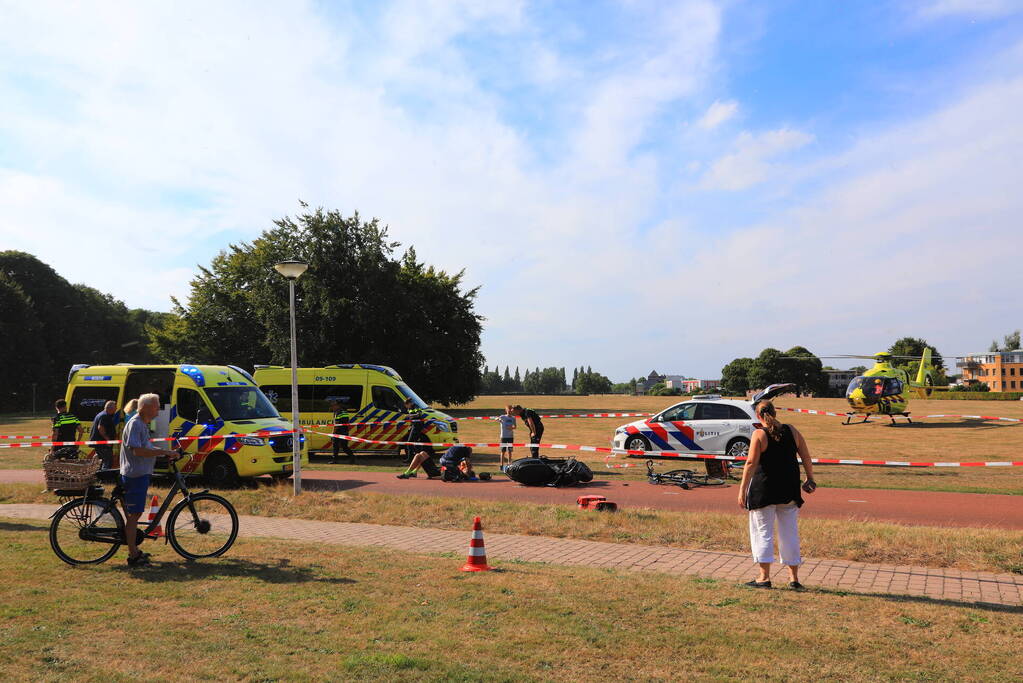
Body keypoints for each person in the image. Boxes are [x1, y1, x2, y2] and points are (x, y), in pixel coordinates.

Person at [737, 399, 816, 589]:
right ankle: (793, 578)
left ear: (758, 416)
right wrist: (810, 477)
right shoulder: (792, 431)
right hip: (788, 488)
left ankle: (764, 577)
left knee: (763, 532)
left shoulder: (759, 434)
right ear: (775, 412)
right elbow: (805, 455)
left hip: (764, 489)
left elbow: (750, 464)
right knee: (789, 532)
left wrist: (742, 489)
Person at [119, 393, 181, 567]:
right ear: (146, 407)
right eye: (156, 405)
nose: (158, 409)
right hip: (135, 475)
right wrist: (162, 452)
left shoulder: (142, 424)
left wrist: (165, 452)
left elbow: (145, 447)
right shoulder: (136, 424)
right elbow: (137, 451)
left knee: (134, 515)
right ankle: (133, 556)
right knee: (134, 517)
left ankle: (135, 551)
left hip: (140, 473)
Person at [89, 401, 119, 470]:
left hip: (100, 443)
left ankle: (98, 476)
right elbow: (100, 428)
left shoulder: (101, 414)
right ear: (111, 408)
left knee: (101, 461)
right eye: (115, 408)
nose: (115, 410)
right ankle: (104, 477)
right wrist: (107, 439)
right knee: (107, 461)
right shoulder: (104, 416)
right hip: (103, 444)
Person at [329, 399, 356, 464]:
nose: (332, 407)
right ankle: (352, 458)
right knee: (343, 446)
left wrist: (333, 433)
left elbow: (337, 424)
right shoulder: (345, 411)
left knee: (336, 446)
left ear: (337, 405)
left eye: (333, 406)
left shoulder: (338, 412)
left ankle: (335, 460)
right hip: (345, 431)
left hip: (339, 432)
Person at [497, 405, 516, 471]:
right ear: (506, 410)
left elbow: (515, 426)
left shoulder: (513, 418)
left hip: (510, 437)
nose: (509, 411)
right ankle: (501, 465)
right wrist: (499, 420)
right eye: (508, 410)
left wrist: (511, 427)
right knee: (503, 451)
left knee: (510, 451)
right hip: (503, 437)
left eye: (511, 410)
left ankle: (509, 465)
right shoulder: (503, 416)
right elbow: (496, 418)